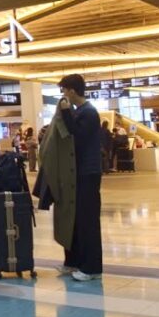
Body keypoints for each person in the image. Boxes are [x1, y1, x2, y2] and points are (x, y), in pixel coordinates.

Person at [41, 74, 103, 282]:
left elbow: (77, 136)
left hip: (88, 173)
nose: (63, 95)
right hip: (76, 173)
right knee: (73, 218)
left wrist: (66, 112)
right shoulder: (80, 112)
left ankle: (91, 267)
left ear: (72, 91)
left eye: (64, 90)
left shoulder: (89, 113)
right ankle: (74, 261)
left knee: (88, 221)